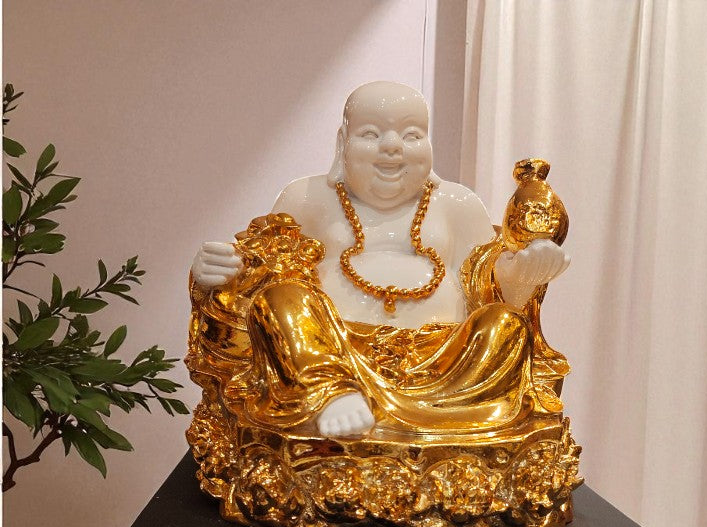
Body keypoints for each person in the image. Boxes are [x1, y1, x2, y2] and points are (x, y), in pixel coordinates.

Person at [191, 81, 570, 438]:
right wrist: (223, 275)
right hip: (332, 353)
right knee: (280, 299)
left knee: (506, 325)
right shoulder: (306, 197)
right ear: (342, 143)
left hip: (444, 363)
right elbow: (261, 271)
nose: (392, 147)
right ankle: (328, 392)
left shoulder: (458, 203)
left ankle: (441, 415)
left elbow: (484, 281)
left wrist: (519, 276)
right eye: (371, 134)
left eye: (412, 135)